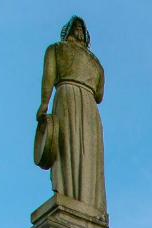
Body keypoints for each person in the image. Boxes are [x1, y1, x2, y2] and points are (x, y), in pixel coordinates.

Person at [37, 16, 107, 215]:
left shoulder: (57, 49)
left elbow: (48, 78)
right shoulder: (95, 63)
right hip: (86, 104)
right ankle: (82, 198)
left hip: (70, 98)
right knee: (71, 146)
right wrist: (44, 103)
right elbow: (100, 94)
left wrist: (43, 106)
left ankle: (76, 196)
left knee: (70, 146)